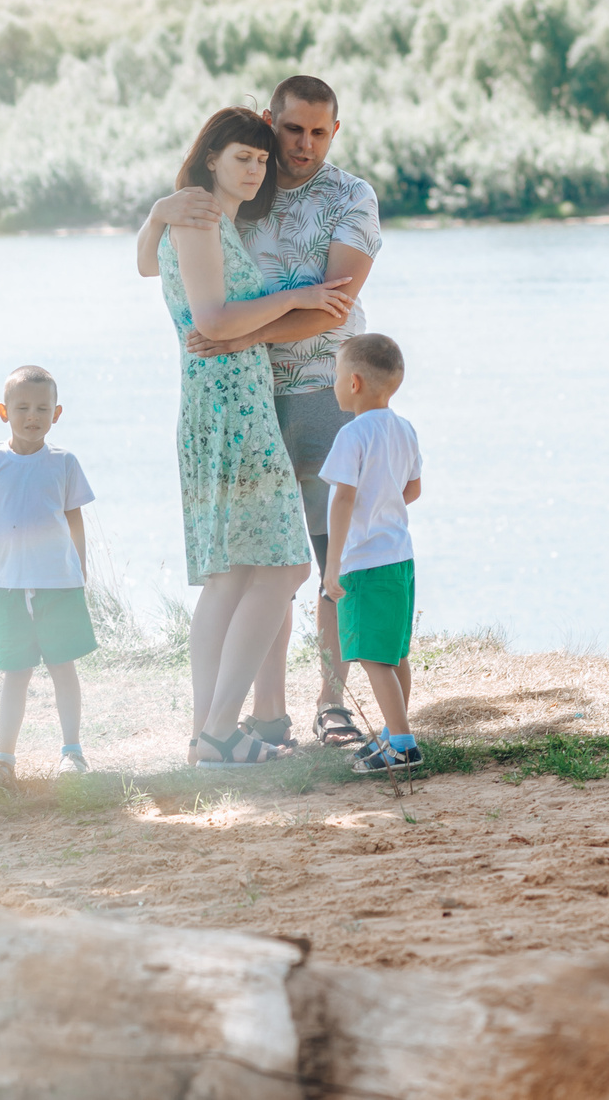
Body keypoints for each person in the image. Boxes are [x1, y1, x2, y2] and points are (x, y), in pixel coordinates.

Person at [137, 76, 382, 751]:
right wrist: (159, 211)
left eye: (318, 131)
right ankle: (259, 717)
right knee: (260, 564)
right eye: (291, 130)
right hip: (246, 403)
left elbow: (328, 302)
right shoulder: (246, 193)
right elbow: (175, 276)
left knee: (331, 554)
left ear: (336, 131)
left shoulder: (350, 197)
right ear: (271, 124)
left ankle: (330, 701)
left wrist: (239, 335)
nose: (301, 144)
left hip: (324, 393)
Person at [0, 365, 98, 787]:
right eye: (22, 407)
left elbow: (75, 521)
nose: (32, 415)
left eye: (42, 408)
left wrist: (80, 571)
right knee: (15, 674)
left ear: (57, 414)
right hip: (8, 586)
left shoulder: (64, 463)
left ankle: (72, 752)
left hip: (59, 584)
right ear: (4, 411)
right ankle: (4, 761)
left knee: (62, 667)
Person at [317, 333, 424, 774]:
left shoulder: (352, 433)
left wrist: (332, 565)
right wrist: (384, 505)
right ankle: (392, 731)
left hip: (364, 562)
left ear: (355, 382)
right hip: (400, 558)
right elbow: (413, 489)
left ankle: (401, 743)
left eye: (337, 375)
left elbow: (343, 499)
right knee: (396, 652)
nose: (335, 383)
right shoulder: (404, 428)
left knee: (369, 655)